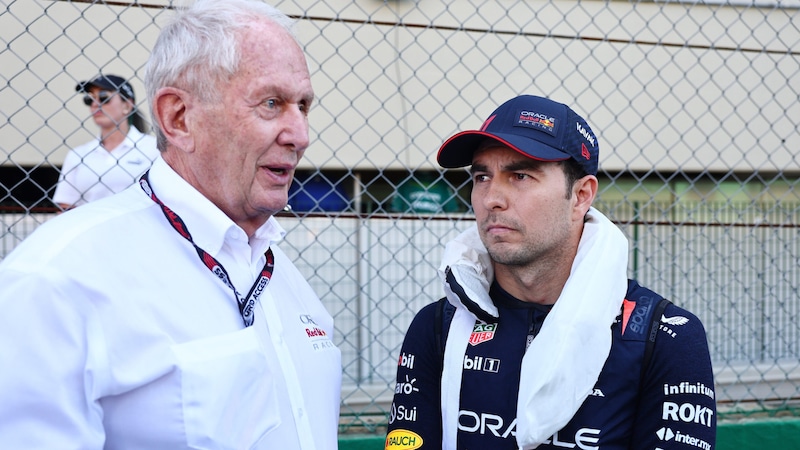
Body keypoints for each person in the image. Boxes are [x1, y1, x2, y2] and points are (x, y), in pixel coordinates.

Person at [0, 1, 341, 449]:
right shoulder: (57, 282)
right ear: (178, 117)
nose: (300, 135)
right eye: (272, 103)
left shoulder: (285, 277)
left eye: (303, 106)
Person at [385, 95, 716, 450]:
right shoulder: (438, 325)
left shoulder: (663, 336)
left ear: (580, 196)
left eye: (521, 175)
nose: (491, 198)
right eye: (482, 176)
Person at [53, 74, 159, 210]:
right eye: (89, 99)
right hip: (91, 229)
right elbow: (65, 207)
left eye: (104, 97)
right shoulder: (78, 155)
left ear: (127, 105)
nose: (95, 104)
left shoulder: (154, 149)